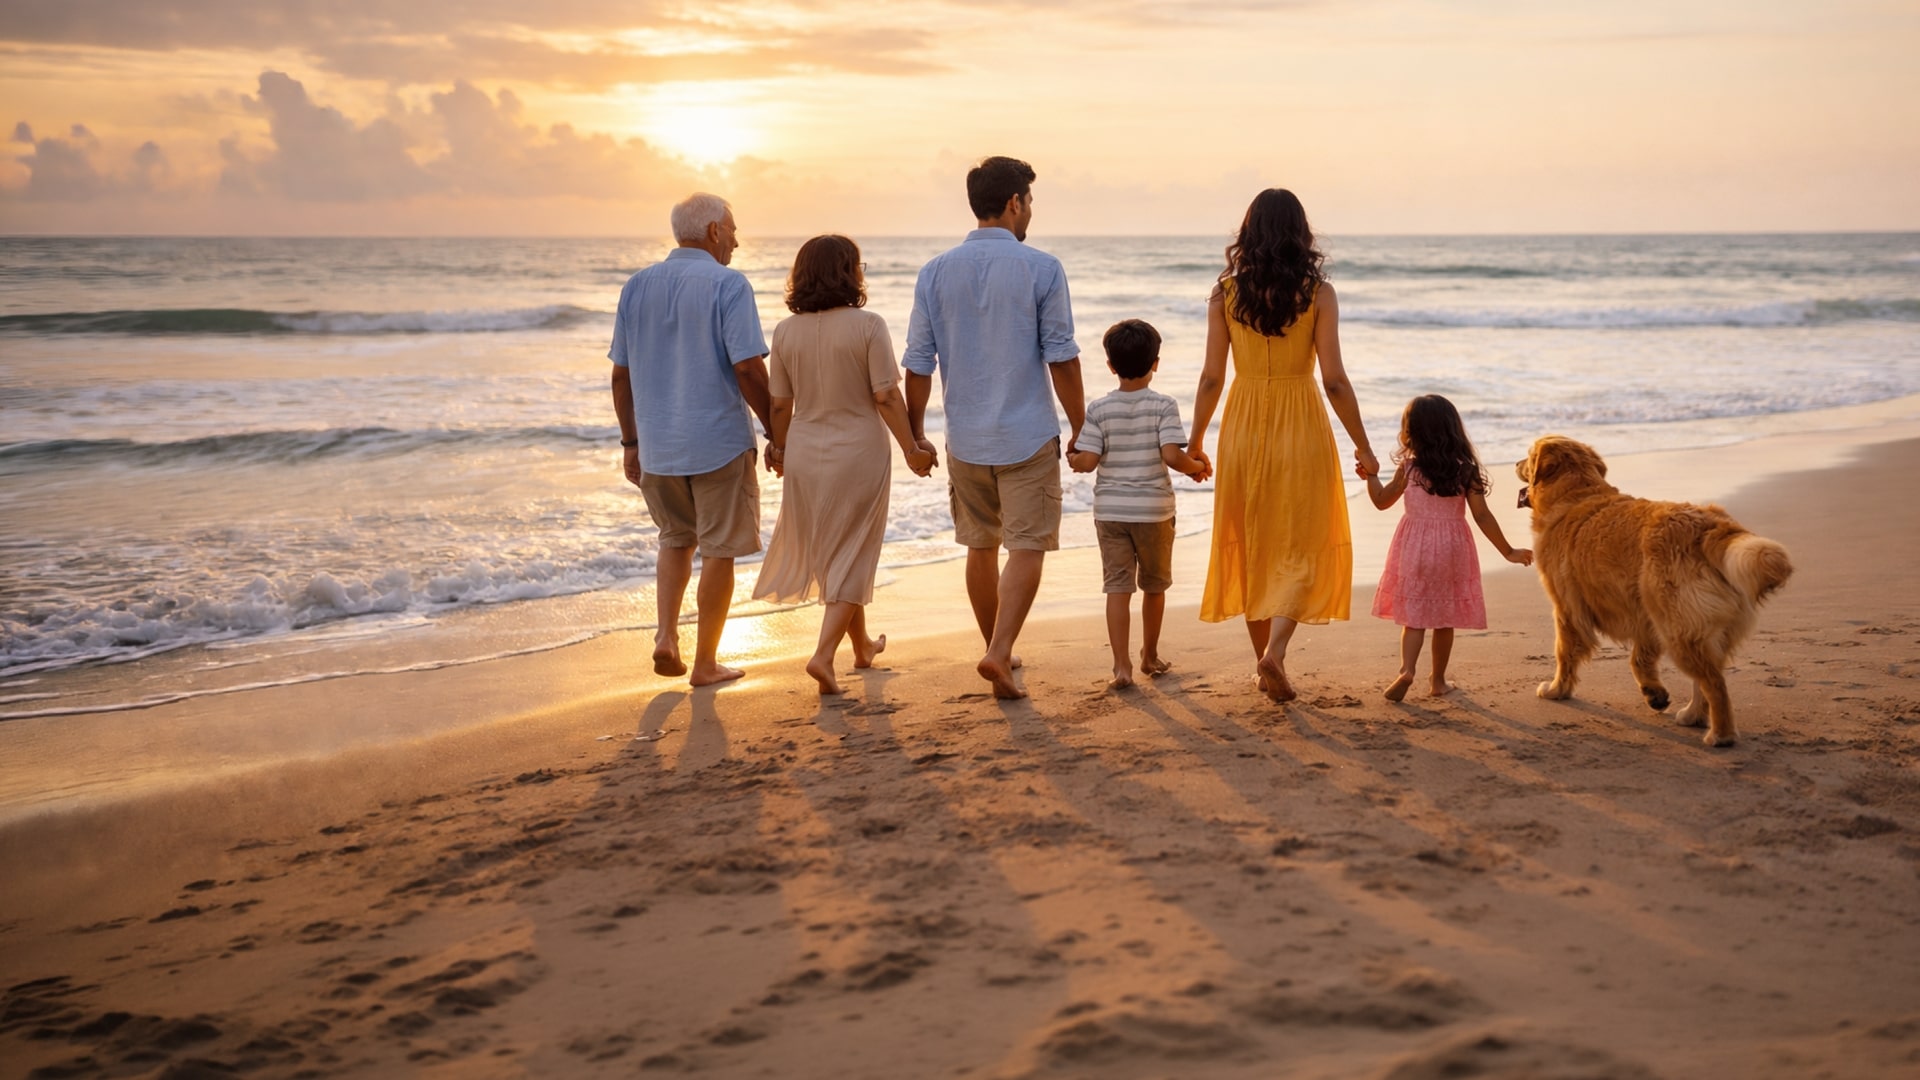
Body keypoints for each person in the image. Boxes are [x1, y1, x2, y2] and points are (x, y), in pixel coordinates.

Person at [1186, 188, 1378, 703]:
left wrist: (1196, 442)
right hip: (1301, 422)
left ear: (1248, 232)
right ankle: (1276, 653)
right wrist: (1363, 446)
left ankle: (1261, 662)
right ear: (1301, 233)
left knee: (1253, 542)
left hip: (1244, 423)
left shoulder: (1224, 292)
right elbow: (1335, 379)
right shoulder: (1319, 292)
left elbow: (1210, 377)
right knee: (1304, 539)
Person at [904, 156, 1085, 699]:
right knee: (1027, 545)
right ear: (1014, 203)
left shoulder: (934, 271)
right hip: (1027, 434)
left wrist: (915, 434)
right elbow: (1062, 357)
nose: (1030, 211)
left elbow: (917, 363)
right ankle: (1000, 651)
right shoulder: (1042, 268)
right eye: (1029, 201)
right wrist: (1081, 427)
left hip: (966, 437)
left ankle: (995, 647)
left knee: (979, 547)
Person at [752, 236, 939, 695]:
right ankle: (822, 655)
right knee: (854, 549)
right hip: (858, 450)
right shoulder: (868, 325)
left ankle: (862, 648)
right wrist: (913, 446)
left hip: (806, 451)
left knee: (836, 548)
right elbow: (886, 395)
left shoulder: (785, 332)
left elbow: (779, 406)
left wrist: (778, 448)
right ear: (848, 272)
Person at [609, 192, 772, 688]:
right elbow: (747, 366)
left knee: (675, 541)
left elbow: (621, 375)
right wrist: (775, 429)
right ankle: (705, 663)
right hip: (717, 441)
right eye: (734, 230)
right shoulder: (728, 284)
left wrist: (631, 444)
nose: (738, 241)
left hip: (658, 446)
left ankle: (665, 636)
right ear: (715, 232)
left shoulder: (636, 286)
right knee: (719, 550)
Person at [1067, 319, 1211, 689]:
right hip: (1153, 512)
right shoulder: (1163, 405)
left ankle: (1121, 667)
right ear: (1156, 362)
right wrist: (1197, 468)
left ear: (1111, 366)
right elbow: (1171, 456)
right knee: (1154, 586)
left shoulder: (1099, 409)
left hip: (1111, 513)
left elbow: (1087, 462)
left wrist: (1073, 458)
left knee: (1117, 588)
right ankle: (1149, 654)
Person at [1363, 394, 1532, 701]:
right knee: (1444, 618)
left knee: (1414, 617)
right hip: (1453, 551)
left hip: (1414, 548)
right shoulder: (1465, 469)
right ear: (1453, 429)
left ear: (1411, 431)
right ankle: (1438, 681)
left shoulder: (1409, 469)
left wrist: (1371, 476)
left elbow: (1380, 500)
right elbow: (1482, 515)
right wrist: (1508, 551)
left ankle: (1406, 670)